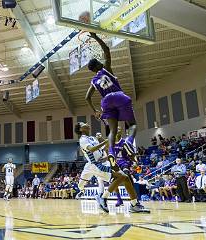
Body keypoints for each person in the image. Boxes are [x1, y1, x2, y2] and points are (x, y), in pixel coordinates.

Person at [74, 122, 149, 213]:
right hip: (97, 164)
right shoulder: (82, 139)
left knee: (125, 178)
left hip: (104, 162)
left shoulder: (92, 138)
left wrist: (105, 143)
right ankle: (103, 197)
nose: (86, 123)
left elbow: (102, 149)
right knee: (122, 176)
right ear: (81, 129)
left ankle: (134, 204)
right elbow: (91, 149)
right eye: (83, 124)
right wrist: (105, 141)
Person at [85, 32, 136, 164]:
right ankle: (129, 142)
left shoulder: (94, 80)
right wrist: (95, 37)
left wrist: (95, 111)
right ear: (98, 64)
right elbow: (106, 50)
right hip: (119, 96)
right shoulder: (106, 69)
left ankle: (112, 152)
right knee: (133, 125)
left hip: (106, 101)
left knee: (112, 130)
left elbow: (87, 97)